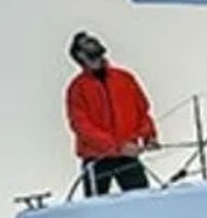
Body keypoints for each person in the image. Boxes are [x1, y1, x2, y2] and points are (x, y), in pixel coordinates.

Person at [64, 31, 155, 197]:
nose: (94, 49)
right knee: (95, 209)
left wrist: (149, 136)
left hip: (127, 155)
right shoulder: (77, 88)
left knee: (142, 200)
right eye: (87, 46)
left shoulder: (125, 78)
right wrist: (117, 147)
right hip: (97, 159)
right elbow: (81, 127)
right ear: (79, 56)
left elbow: (143, 111)